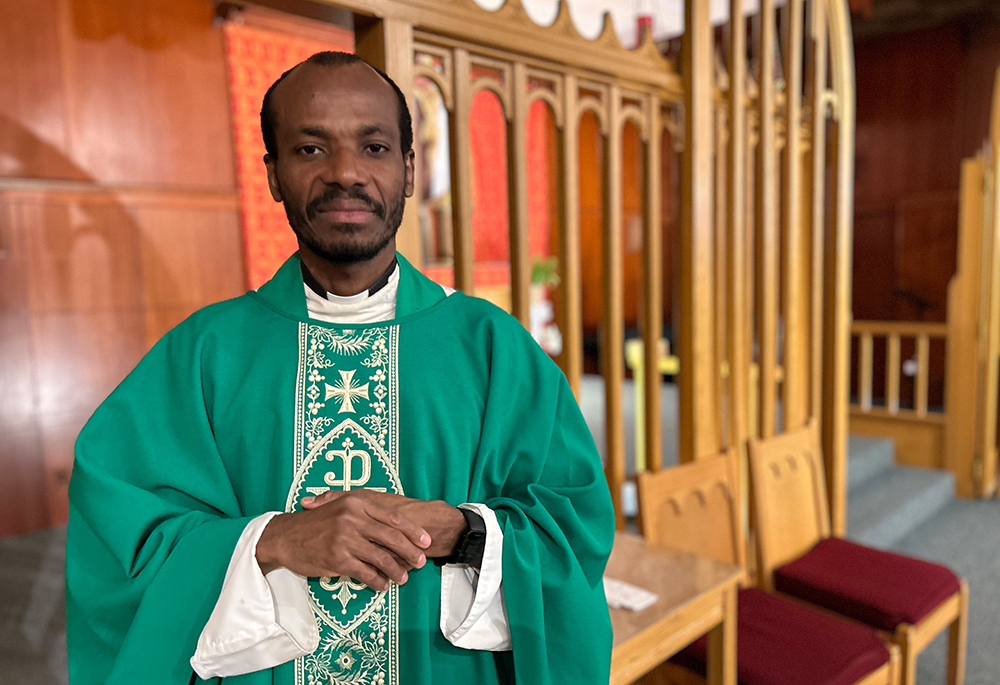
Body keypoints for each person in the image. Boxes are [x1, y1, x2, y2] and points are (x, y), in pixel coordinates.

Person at [66, 51, 615, 685]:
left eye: (374, 147)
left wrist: (460, 531)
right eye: (310, 149)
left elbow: (571, 531)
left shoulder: (493, 349)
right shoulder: (204, 354)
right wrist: (276, 541)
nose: (345, 173)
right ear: (274, 174)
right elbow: (119, 543)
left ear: (409, 170)